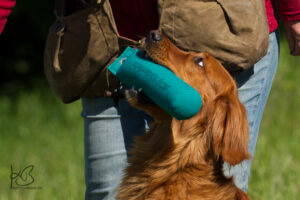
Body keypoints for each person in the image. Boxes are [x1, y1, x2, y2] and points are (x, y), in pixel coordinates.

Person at [56, 0, 300, 199]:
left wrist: (294, 9)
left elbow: (233, 152)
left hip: (227, 33)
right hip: (105, 39)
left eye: (198, 62)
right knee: (106, 192)